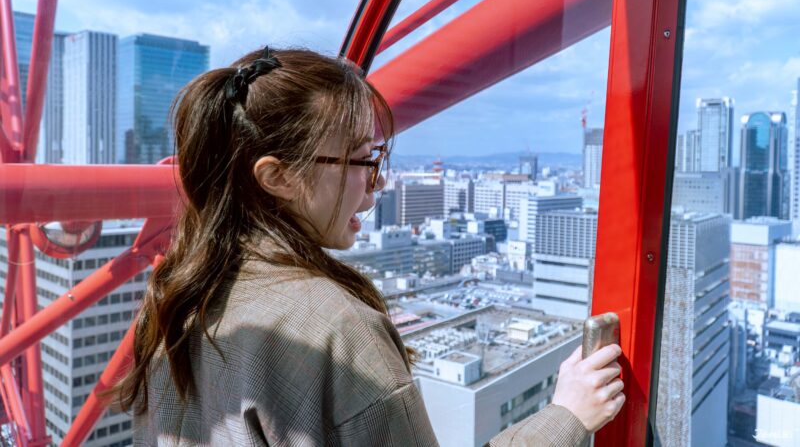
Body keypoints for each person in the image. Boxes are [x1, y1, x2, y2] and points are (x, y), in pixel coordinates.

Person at [116, 47, 625, 446]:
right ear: (277, 177)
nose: (378, 184)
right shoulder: (335, 327)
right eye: (363, 161)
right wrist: (567, 417)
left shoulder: (178, 297)